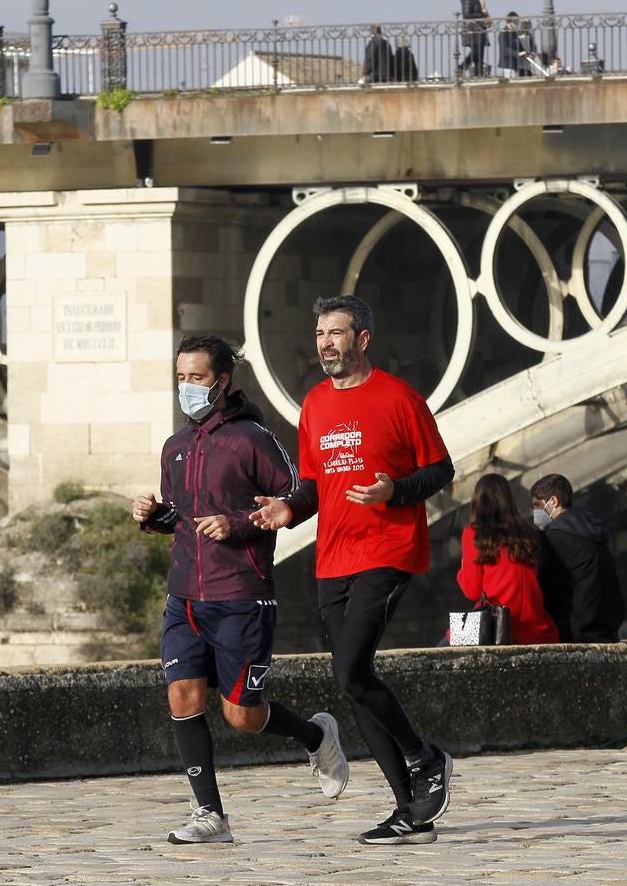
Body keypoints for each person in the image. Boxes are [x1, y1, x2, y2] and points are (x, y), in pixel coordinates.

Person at [252, 295, 455, 846]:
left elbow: (441, 469)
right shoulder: (314, 405)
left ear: (362, 338)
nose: (325, 343)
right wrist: (289, 509)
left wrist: (396, 489)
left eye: (336, 333)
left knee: (350, 672)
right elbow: (317, 484)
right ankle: (409, 811)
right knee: (357, 684)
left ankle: (425, 757)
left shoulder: (399, 398)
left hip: (386, 550)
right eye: (319, 334)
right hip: (332, 557)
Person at [134, 334, 349, 846]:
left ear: (222, 381)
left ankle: (316, 736)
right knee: (181, 695)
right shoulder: (176, 447)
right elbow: (183, 519)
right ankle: (210, 815)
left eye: (197, 378)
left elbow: (296, 496)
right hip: (184, 595)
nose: (186, 387)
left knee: (242, 716)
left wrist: (237, 524)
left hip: (241, 596)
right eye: (181, 378)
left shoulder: (252, 438)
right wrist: (153, 516)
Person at [455, 475, 558, 645]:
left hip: (498, 626)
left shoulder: (474, 533)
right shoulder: (529, 532)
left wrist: (461, 571)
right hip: (539, 629)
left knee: (441, 650)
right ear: (509, 500)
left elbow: (471, 591)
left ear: (477, 501)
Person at [531, 474, 626, 643]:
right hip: (608, 629)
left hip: (577, 632)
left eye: (536, 505)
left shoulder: (555, 538)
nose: (534, 513)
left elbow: (546, 591)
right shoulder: (595, 530)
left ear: (553, 501)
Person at [457, 0, 490, 76]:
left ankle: (479, 74)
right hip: (472, 29)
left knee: (479, 54)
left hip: (480, 29)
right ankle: (461, 67)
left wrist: (486, 16)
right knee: (476, 51)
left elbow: (484, 12)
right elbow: (466, 14)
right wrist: (482, 14)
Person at [497, 12, 521, 78]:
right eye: (516, 22)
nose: (517, 24)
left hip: (515, 63)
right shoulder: (503, 33)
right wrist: (517, 53)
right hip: (507, 63)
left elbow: (519, 45)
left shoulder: (514, 33)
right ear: (510, 22)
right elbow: (505, 48)